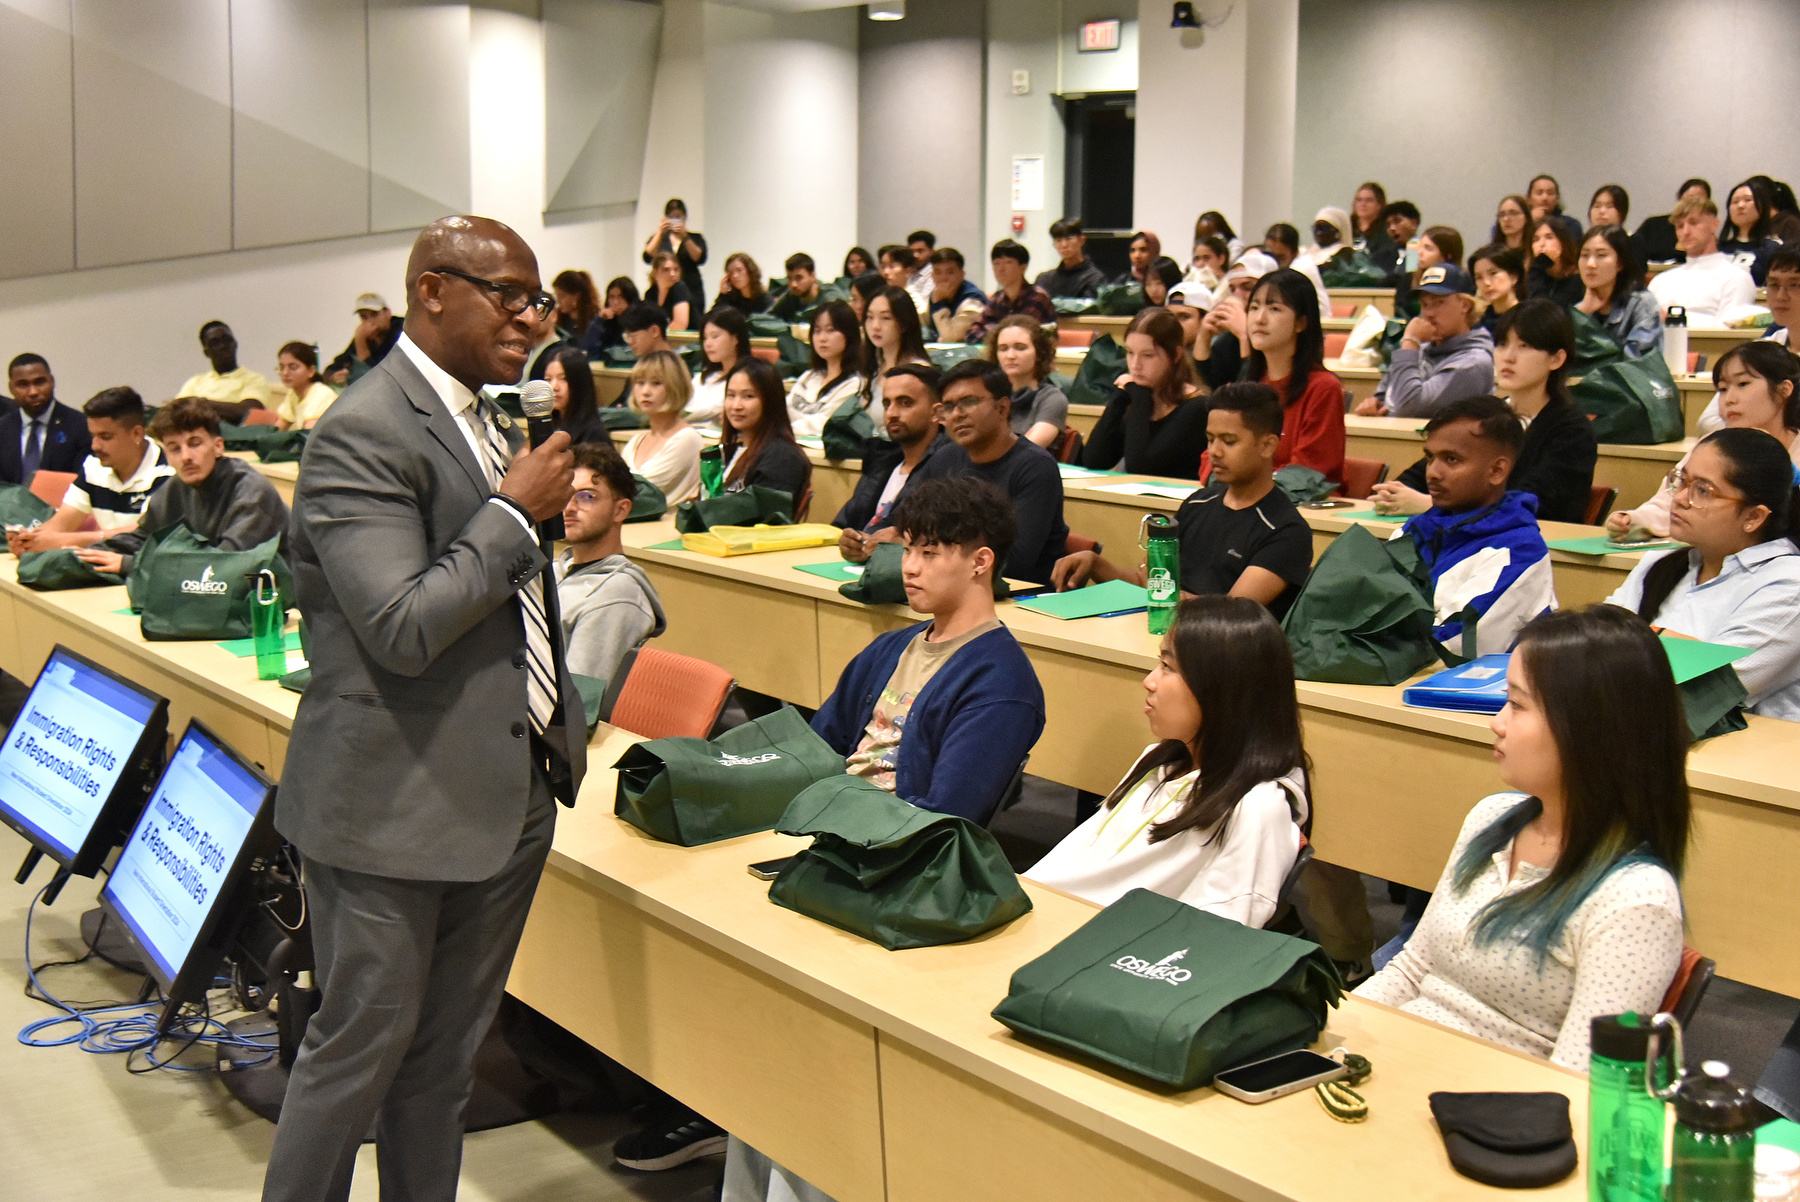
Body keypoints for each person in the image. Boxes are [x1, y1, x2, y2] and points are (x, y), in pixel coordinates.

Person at [264, 215, 583, 1202]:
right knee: (355, 1054)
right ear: (432, 290)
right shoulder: (364, 425)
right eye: (511, 295)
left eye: (539, 300)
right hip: (392, 801)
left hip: (507, 784)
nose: (531, 318)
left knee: (442, 1067)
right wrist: (510, 512)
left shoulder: (486, 412)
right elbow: (402, 624)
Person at [1356, 605, 1688, 1071]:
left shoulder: (1635, 900)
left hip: (1492, 1115)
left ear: (1589, 729)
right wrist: (1339, 1037)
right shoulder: (1491, 817)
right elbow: (1413, 969)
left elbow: (1576, 1085)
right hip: (1396, 1061)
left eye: (1517, 703)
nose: (1497, 721)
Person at [1027, 595, 1308, 920]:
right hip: (1044, 913)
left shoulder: (1254, 809)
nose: (1149, 681)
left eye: (1168, 667)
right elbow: (1076, 863)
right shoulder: (1159, 760)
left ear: (1221, 688)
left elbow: (1221, 934)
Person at [812, 474, 1046, 820]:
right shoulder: (889, 648)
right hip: (829, 816)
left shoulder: (1001, 686)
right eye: (907, 550)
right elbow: (817, 747)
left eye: (929, 553)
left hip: (889, 845)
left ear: (980, 562)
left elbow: (945, 814)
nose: (909, 567)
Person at [1055, 383, 1313, 619]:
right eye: (1210, 439)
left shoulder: (1286, 531)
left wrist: (1170, 595)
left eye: (1229, 441)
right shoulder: (1197, 503)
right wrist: (1096, 564)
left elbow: (1231, 613)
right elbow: (1147, 584)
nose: (1214, 451)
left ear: (1267, 446)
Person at [1606, 427, 1800, 720]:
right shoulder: (1658, 565)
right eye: (1681, 481)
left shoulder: (1787, 586)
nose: (1681, 498)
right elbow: (1593, 645)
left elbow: (1709, 692)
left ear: (1753, 517)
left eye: (1703, 490)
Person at [1377, 300, 1597, 525]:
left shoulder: (1572, 430)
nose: (1508, 357)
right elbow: (1424, 472)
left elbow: (1536, 504)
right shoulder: (1487, 415)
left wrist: (1429, 504)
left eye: (1524, 346)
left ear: (1557, 359)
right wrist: (1394, 493)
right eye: (1502, 344)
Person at [1395, 396, 1556, 656]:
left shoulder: (1521, 553)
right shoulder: (1412, 531)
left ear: (1497, 471)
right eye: (1430, 457)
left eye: (1451, 459)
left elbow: (1456, 646)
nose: (1432, 472)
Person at [71, 396, 288, 577]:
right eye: (174, 448)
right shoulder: (176, 488)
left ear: (218, 446)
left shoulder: (251, 492)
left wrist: (131, 566)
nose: (186, 457)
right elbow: (141, 539)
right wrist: (84, 555)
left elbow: (220, 566)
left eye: (195, 444)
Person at [1611, 341, 1800, 541]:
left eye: (1743, 384)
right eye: (1723, 389)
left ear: (1784, 390)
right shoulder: (1712, 447)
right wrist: (1633, 520)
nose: (1729, 399)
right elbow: (1670, 501)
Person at [932, 359, 1068, 585]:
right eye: (948, 406)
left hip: (1021, 597)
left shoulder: (1035, 467)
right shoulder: (945, 458)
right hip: (953, 584)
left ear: (1003, 407)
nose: (956, 414)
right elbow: (907, 524)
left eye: (969, 401)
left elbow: (1015, 562)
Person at [1209, 267, 1345, 485]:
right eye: (1253, 308)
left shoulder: (1323, 388)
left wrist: (1243, 481)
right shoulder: (1248, 384)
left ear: (1301, 322)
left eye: (1274, 309)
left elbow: (1307, 472)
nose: (1259, 319)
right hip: (1244, 497)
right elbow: (1211, 456)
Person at [6, 387, 171, 555]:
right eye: (93, 436)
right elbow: (61, 523)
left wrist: (64, 541)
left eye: (106, 437)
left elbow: (141, 535)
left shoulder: (168, 473)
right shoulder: (94, 465)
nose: (95, 446)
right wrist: (30, 540)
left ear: (136, 434)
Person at [554, 441, 666, 685]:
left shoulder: (615, 596)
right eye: (566, 495)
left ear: (620, 511)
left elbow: (580, 701)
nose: (569, 508)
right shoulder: (554, 570)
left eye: (587, 497)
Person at [834, 363, 954, 555]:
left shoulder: (949, 469)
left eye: (905, 403)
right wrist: (848, 540)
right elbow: (844, 524)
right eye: (887, 404)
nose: (891, 413)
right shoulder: (882, 461)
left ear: (936, 413)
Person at [1082, 307, 1209, 478]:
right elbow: (1094, 460)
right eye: (1130, 353)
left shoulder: (1197, 408)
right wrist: (1119, 399)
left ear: (1176, 355)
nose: (1135, 365)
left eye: (1148, 355)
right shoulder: (1136, 396)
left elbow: (1140, 466)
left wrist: (1139, 396)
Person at [1359, 263, 1496, 418]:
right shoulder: (1422, 349)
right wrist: (1373, 402)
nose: (1429, 313)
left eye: (1439, 302)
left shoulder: (1473, 363)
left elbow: (1409, 407)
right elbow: (1384, 396)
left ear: (1465, 305)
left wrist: (1410, 342)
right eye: (1424, 305)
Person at [1695, 249, 1800, 433]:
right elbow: (1709, 420)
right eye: (1774, 285)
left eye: (1795, 285)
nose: (1781, 296)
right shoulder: (1766, 348)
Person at [1648, 195, 1759, 322]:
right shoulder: (1660, 281)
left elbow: (1731, 330)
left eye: (1693, 223)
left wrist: (1673, 319)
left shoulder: (1736, 278)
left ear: (1714, 224)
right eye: (1680, 226)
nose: (1686, 232)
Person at [720, 358, 811, 505]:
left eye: (748, 396)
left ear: (770, 401)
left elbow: (763, 519)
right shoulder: (732, 449)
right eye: (731, 395)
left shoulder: (782, 458)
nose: (736, 405)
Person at [619, 349, 703, 503]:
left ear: (675, 386)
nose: (645, 392)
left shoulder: (688, 439)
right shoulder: (634, 442)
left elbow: (643, 492)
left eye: (656, 383)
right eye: (640, 383)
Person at [0, 354, 91, 485]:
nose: (33, 392)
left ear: (52, 381)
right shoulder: (3, 429)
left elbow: (83, 482)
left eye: (40, 382)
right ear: (11, 388)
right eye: (23, 385)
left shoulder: (79, 426)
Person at [1575, 225, 1664, 359]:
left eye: (1601, 255)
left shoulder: (1643, 305)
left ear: (1620, 263)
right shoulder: (1580, 309)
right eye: (1584, 255)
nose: (1590, 264)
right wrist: (1581, 315)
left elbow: (1636, 364)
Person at [1194, 250, 1280, 388]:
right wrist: (1203, 337)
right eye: (1232, 289)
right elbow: (1211, 386)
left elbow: (1253, 389)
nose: (1237, 295)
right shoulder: (1228, 340)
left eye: (1247, 288)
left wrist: (1245, 334)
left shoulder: (1278, 335)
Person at [786, 301, 865, 438]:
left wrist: (783, 430)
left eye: (831, 330)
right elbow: (784, 411)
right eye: (817, 331)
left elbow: (824, 423)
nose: (822, 338)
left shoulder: (855, 383)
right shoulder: (809, 376)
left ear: (849, 334)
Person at [987, 314, 1067, 449]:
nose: (1010, 356)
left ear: (1039, 353)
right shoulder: (989, 394)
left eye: (1020, 348)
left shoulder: (1053, 398)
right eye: (1003, 349)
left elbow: (1028, 449)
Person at [965, 239, 1056, 343]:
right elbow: (972, 333)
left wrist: (992, 331)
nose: (1001, 269)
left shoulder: (1037, 297)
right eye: (996, 263)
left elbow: (1021, 336)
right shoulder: (997, 298)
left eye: (1008, 262)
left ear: (1023, 267)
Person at [178, 321, 277, 415]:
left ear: (235, 344)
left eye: (227, 340)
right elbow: (177, 409)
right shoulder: (195, 382)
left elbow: (250, 411)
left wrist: (202, 403)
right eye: (215, 343)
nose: (223, 346)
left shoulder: (254, 379)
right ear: (206, 352)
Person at [861, 285, 930, 415]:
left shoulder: (918, 371)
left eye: (886, 318)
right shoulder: (873, 367)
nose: (875, 326)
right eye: (870, 317)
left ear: (904, 323)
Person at [685, 305, 751, 424]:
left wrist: (674, 417)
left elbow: (710, 410)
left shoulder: (747, 378)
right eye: (705, 338)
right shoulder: (703, 376)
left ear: (735, 338)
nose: (708, 344)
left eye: (715, 336)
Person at [324, 292, 404, 385]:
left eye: (375, 314)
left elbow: (381, 373)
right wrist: (334, 376)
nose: (370, 322)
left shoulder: (403, 329)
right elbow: (333, 367)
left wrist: (360, 341)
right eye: (364, 317)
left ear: (388, 313)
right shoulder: (365, 336)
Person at [1634, 178, 1711, 267]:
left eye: (1699, 202)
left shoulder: (1706, 233)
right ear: (1679, 199)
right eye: (1689, 200)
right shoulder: (1653, 225)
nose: (1692, 205)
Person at [641, 197, 707, 298]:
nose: (675, 221)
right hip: (664, 290)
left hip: (691, 289)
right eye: (672, 218)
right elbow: (647, 256)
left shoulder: (695, 238)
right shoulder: (660, 239)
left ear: (685, 217)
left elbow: (699, 258)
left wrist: (685, 237)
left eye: (678, 217)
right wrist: (660, 233)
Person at [1393, 225, 1463, 320]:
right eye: (1419, 246)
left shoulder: (1460, 280)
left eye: (1428, 248)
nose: (1419, 252)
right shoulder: (1408, 279)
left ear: (1447, 256)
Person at [1719, 178, 1781, 285]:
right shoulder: (1719, 248)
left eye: (1747, 200)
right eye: (1735, 202)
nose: (1740, 206)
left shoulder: (1773, 248)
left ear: (1762, 206)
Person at [1261, 222, 1332, 315]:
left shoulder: (1300, 268)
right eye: (1271, 256)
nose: (1275, 262)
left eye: (1281, 258)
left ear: (1295, 253)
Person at [923, 247, 988, 343]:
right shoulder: (936, 294)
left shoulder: (973, 298)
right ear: (932, 275)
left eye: (950, 272)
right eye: (938, 272)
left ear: (962, 274)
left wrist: (939, 305)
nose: (943, 278)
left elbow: (952, 338)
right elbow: (923, 323)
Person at [542, 347, 605, 445]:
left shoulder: (593, 435)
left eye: (563, 379)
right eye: (548, 379)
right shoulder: (546, 427)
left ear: (580, 383)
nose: (554, 387)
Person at [1035, 217, 1108, 298]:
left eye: (1068, 239)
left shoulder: (1095, 278)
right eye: (1059, 240)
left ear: (1081, 240)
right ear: (1054, 245)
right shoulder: (1045, 279)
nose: (1064, 245)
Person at [273, 342, 339, 430]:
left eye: (293, 367)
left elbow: (307, 435)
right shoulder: (293, 394)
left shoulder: (321, 394)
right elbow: (277, 429)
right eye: (282, 368)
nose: (285, 373)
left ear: (311, 371)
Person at [1524, 216, 1583, 308]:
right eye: (1536, 239)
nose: (1541, 244)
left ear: (1563, 243)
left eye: (1549, 237)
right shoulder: (1534, 275)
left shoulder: (1576, 279)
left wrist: (1538, 265)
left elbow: (1544, 312)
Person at [1470, 243, 1525, 340]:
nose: (1486, 283)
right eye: (1479, 278)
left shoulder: (1529, 319)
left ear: (1513, 276)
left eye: (1493, 273)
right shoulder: (1479, 325)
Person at [582, 276, 640, 354]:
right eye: (612, 297)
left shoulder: (639, 320)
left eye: (620, 297)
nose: (615, 302)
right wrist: (599, 321)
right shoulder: (605, 322)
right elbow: (587, 349)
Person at [1527, 173, 1582, 244]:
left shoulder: (1571, 224)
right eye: (1539, 193)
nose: (1545, 198)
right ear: (1529, 199)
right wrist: (1531, 222)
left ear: (1557, 199)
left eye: (1550, 193)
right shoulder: (1522, 223)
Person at [646, 250, 693, 333]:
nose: (672, 274)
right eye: (666, 270)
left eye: (676, 270)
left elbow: (680, 325)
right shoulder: (650, 294)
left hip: (688, 341)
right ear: (655, 273)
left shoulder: (680, 289)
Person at [714, 251, 772, 317]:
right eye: (730, 272)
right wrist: (722, 294)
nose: (734, 276)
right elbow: (713, 320)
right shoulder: (730, 299)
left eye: (739, 270)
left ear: (750, 271)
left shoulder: (765, 301)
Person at [769, 253, 823, 322]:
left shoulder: (829, 299)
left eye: (799, 278)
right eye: (790, 278)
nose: (793, 284)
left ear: (813, 276)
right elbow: (768, 319)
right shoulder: (791, 296)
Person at [551, 269, 600, 343]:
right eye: (557, 296)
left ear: (576, 297)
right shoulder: (560, 322)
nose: (558, 301)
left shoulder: (596, 319)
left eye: (562, 296)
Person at [1303, 206, 1355, 275]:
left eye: (1324, 228)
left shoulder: (1343, 254)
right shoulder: (1306, 252)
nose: (1319, 233)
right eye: (1316, 228)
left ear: (1338, 231)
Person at [1378, 200, 1422, 282]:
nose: (1392, 228)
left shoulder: (1422, 253)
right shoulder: (1383, 256)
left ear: (1414, 223)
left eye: (1397, 221)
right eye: (1388, 225)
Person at [1350, 182, 1392, 258]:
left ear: (1379, 204)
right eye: (1359, 200)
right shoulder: (1347, 228)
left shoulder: (1387, 231)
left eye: (1369, 200)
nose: (1363, 204)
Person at [877, 244, 921, 310]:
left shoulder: (914, 300)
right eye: (883, 267)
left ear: (908, 271)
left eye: (892, 266)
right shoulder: (879, 294)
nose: (885, 272)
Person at [905, 229, 936, 311]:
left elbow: (924, 307)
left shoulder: (935, 274)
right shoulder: (909, 270)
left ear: (932, 252)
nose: (915, 255)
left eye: (920, 251)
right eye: (912, 251)